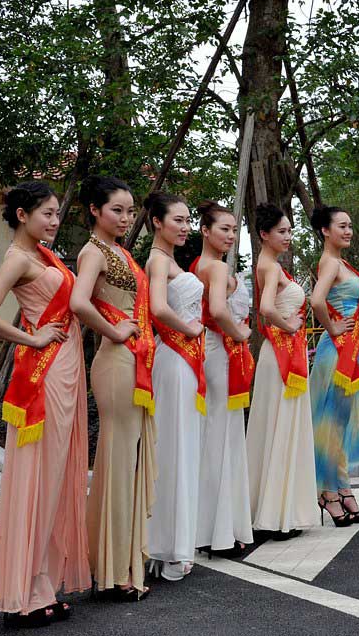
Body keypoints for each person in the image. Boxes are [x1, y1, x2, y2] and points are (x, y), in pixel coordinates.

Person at [0, 182, 89, 626]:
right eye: (47, 213)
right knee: (39, 479)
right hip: (46, 374)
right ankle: (23, 594)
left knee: (55, 481)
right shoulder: (18, 259)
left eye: (58, 213)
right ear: (22, 215)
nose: (55, 221)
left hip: (65, 369)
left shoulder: (45, 257)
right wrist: (32, 335)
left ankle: (38, 585)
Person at [70, 175, 156, 600]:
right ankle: (113, 571)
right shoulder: (93, 252)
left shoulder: (120, 251)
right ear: (94, 211)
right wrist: (114, 331)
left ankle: (117, 562)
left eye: (128, 209)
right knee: (118, 463)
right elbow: (79, 302)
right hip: (116, 362)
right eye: (116, 210)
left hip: (133, 362)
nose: (124, 217)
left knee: (125, 463)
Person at [246, 203, 319, 538]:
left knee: (274, 427)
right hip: (281, 354)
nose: (288, 236)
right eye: (282, 231)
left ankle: (275, 510)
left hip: (279, 355)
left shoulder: (265, 264)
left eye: (290, 230)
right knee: (282, 426)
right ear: (264, 234)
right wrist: (289, 326)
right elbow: (264, 311)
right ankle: (278, 514)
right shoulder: (271, 266)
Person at [144, 192, 205, 579]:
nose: (185, 228)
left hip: (184, 361)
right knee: (172, 446)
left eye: (187, 221)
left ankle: (175, 540)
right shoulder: (155, 261)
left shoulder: (170, 261)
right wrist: (191, 329)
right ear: (156, 222)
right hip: (173, 358)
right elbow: (157, 308)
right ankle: (167, 544)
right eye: (177, 221)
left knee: (182, 445)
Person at [308, 205, 359, 526]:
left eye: (350, 225)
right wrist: (334, 329)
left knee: (336, 425)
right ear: (325, 231)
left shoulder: (340, 263)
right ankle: (331, 493)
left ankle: (341, 490)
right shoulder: (329, 262)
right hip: (334, 351)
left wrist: (358, 352)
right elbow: (317, 300)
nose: (349, 231)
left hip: (346, 352)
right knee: (331, 428)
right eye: (342, 226)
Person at [191, 201, 254, 556]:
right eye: (223, 229)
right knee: (221, 434)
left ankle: (216, 528)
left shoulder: (199, 265)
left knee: (217, 433)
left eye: (233, 230)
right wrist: (241, 334)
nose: (230, 235)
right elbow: (216, 310)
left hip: (213, 350)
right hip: (220, 349)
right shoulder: (213, 267)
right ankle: (219, 532)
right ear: (205, 230)